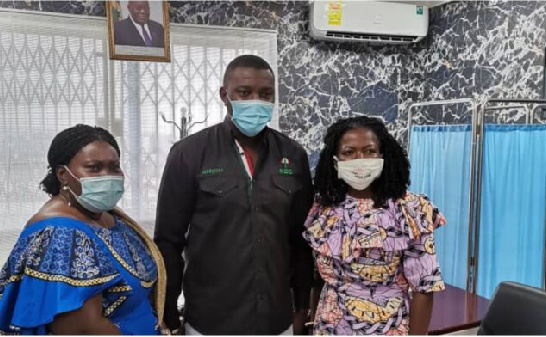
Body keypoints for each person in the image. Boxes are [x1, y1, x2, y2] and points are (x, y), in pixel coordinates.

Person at [154, 55, 314, 335]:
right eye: (244, 92)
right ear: (224, 95)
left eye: (265, 94)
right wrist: (168, 312)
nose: (256, 101)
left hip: (276, 320)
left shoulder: (293, 155)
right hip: (210, 320)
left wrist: (301, 307)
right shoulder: (189, 154)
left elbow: (301, 240)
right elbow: (169, 242)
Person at [0, 124, 167, 335]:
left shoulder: (106, 215)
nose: (107, 176)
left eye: (114, 167)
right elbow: (83, 330)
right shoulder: (62, 234)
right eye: (94, 167)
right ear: (63, 174)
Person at [303, 116, 446, 335]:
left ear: (382, 157)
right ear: (335, 161)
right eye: (349, 152)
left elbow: (424, 288)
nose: (360, 159)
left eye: (369, 151)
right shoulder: (324, 209)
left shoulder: (410, 210)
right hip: (330, 326)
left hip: (389, 327)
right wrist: (312, 323)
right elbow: (318, 280)